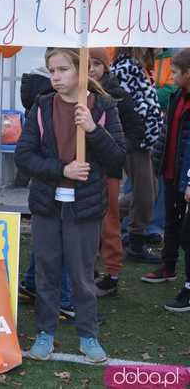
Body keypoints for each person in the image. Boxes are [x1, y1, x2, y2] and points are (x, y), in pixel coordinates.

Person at [15, 48, 125, 363]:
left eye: (63, 69)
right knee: (47, 271)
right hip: (47, 205)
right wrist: (62, 170)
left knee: (81, 275)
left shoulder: (102, 107)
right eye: (52, 71)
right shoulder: (41, 106)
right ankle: (45, 334)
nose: (56, 77)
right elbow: (24, 156)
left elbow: (117, 160)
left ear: (81, 70)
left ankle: (88, 336)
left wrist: (93, 130)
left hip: (85, 206)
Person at [88, 48, 145, 296]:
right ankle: (87, 270)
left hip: (108, 170)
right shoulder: (78, 92)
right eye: (86, 64)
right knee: (85, 222)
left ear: (106, 67)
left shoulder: (117, 94)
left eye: (96, 64)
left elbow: (135, 129)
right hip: (84, 169)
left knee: (109, 220)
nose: (90, 69)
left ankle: (111, 274)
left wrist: (118, 150)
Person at [111, 47, 162, 263]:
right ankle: (135, 243)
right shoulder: (126, 68)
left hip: (143, 140)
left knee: (150, 191)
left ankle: (108, 214)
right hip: (134, 141)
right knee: (145, 194)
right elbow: (125, 107)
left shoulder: (138, 66)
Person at [147, 49, 190, 291]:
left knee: (185, 231)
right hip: (172, 171)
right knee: (172, 223)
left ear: (188, 73)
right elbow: (166, 134)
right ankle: (168, 267)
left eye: (174, 73)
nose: (171, 77)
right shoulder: (176, 97)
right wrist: (159, 163)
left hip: (185, 175)